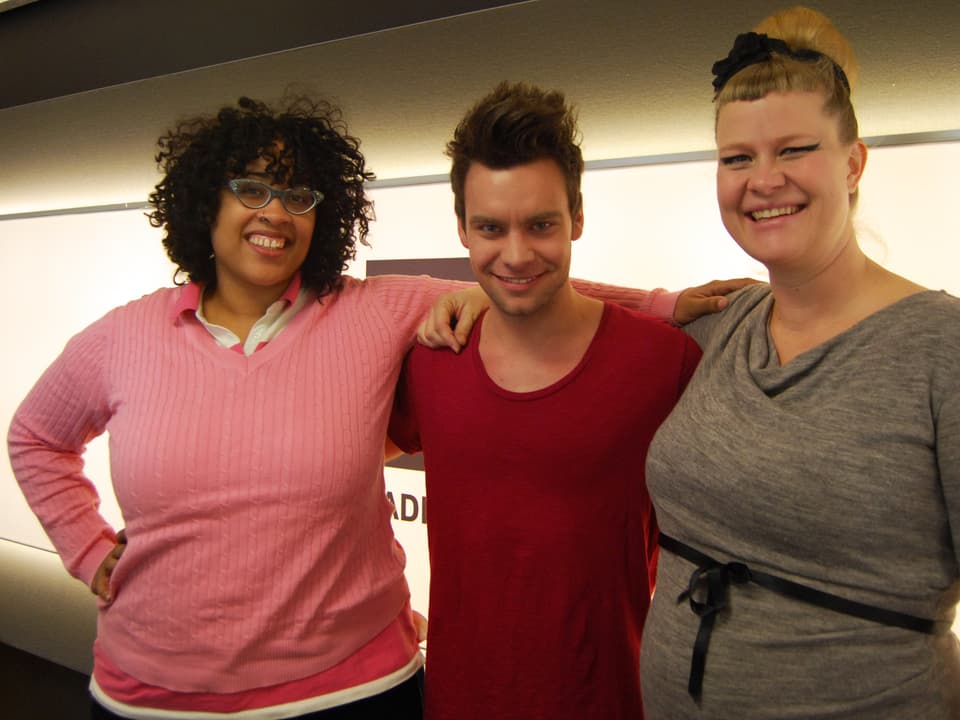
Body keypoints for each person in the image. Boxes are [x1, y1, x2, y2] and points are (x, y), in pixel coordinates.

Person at [7, 94, 725, 719]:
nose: (276, 214)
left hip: (352, 693)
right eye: (253, 188)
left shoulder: (372, 312)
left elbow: (527, 285)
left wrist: (662, 305)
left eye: (299, 196)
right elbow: (35, 437)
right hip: (153, 698)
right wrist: (89, 549)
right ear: (206, 201)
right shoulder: (122, 336)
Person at [638, 7, 960, 718]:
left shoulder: (943, 348)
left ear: (853, 163)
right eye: (737, 158)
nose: (763, 179)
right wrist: (482, 298)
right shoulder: (723, 327)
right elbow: (578, 321)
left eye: (793, 150)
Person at [388, 81, 703, 720]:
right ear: (462, 230)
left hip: (613, 699)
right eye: (490, 228)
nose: (516, 254)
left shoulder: (664, 362)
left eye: (540, 225)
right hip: (457, 703)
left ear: (577, 219)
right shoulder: (429, 361)